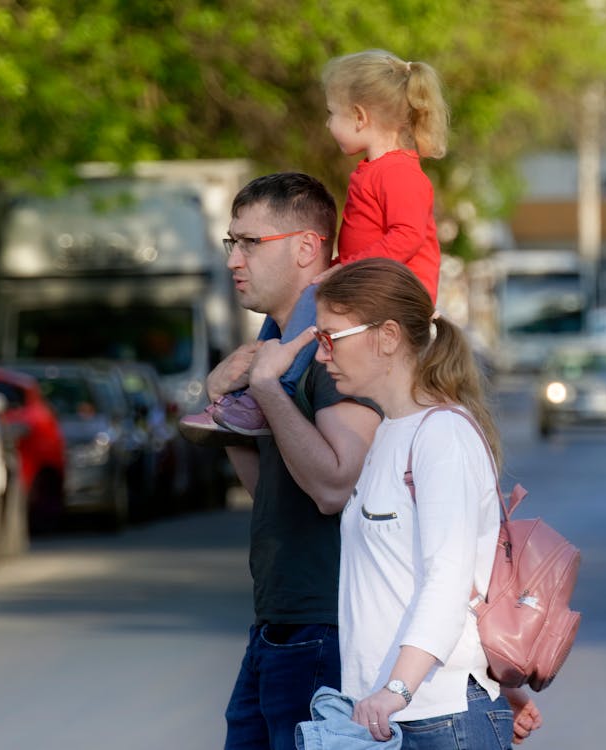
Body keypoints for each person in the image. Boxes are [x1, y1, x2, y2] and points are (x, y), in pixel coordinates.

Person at [275, 257, 544, 749]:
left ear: (387, 336)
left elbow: (448, 578)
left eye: (331, 336)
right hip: (387, 717)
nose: (321, 355)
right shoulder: (387, 435)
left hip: (435, 718)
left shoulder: (443, 435)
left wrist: (398, 688)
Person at [184, 48, 449, 440]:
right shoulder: (376, 171)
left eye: (332, 114)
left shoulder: (401, 174)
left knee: (311, 302)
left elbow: (407, 237)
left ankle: (275, 392)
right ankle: (243, 397)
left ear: (360, 116)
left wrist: (345, 267)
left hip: (394, 290)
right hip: (369, 277)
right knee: (282, 314)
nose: (327, 124)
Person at [208, 173, 383, 750]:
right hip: (278, 624)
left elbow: (334, 485)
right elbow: (273, 492)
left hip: (328, 626)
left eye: (249, 243)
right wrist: (224, 405)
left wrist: (266, 392)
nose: (235, 259)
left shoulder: (332, 348)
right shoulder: (275, 345)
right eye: (229, 243)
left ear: (307, 247)